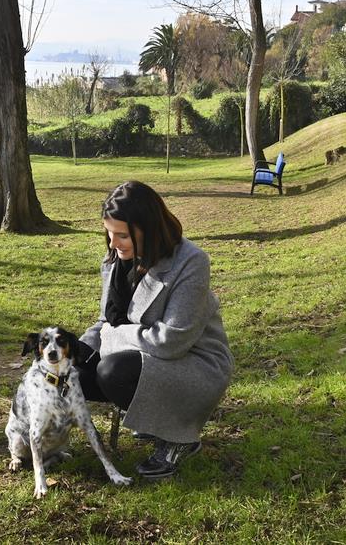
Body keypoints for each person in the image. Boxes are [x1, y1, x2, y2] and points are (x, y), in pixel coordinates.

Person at [76, 181, 234, 479]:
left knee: (113, 370)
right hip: (140, 354)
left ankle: (178, 438)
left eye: (122, 235)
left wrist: (111, 337)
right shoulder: (115, 260)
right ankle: (151, 419)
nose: (112, 243)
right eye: (108, 233)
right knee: (78, 372)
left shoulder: (191, 261)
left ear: (148, 229)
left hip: (195, 363)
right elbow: (105, 321)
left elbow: (171, 341)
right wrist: (78, 350)